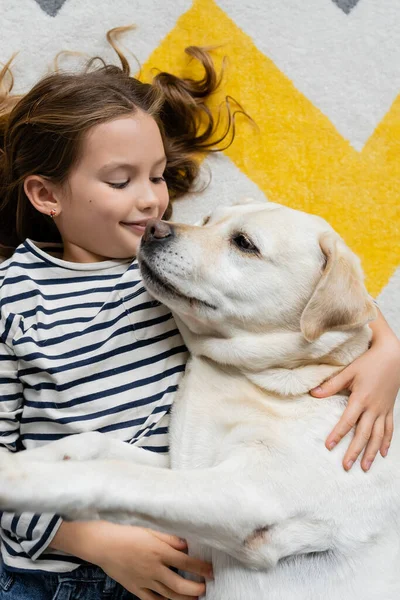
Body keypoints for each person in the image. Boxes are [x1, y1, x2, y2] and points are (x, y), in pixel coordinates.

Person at [0, 29, 399, 600]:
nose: (153, 204)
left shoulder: (176, 269)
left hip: (187, 555)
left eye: (158, 176)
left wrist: (387, 350)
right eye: (120, 181)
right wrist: (91, 542)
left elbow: (305, 297)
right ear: (46, 195)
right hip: (62, 569)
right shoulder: (16, 296)